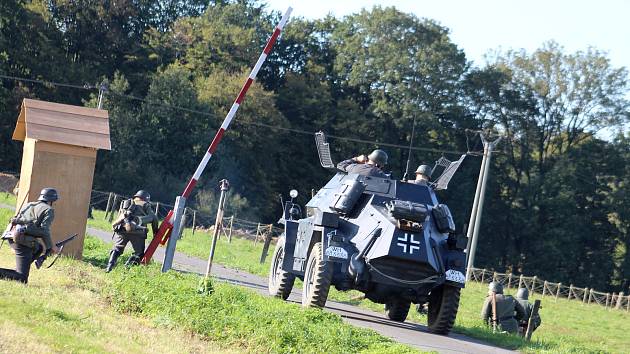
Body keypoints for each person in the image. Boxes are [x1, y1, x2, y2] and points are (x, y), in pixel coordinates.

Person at [0, 188, 59, 284]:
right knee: (22, 278)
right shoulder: (49, 210)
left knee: (39, 248)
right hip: (22, 240)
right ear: (51, 200)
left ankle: (21, 268)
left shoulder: (29, 204)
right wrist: (51, 247)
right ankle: (20, 272)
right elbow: (44, 231)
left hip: (12, 236)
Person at [106, 190, 158, 272]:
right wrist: (155, 232)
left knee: (117, 249)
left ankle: (109, 267)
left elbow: (120, 216)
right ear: (146, 198)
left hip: (122, 229)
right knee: (139, 253)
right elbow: (153, 218)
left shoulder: (126, 203)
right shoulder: (145, 204)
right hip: (138, 231)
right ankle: (126, 269)